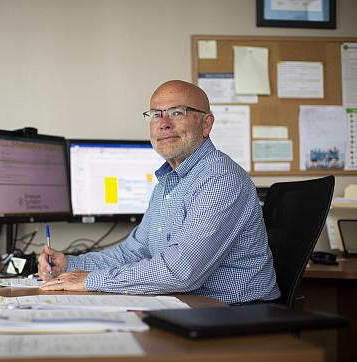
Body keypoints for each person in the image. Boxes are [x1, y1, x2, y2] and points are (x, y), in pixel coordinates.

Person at [38, 80, 280, 304]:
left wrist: (89, 281)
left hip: (236, 312)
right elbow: (132, 252)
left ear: (206, 124)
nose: (164, 123)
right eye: (156, 115)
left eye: (177, 112)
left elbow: (180, 272)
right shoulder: (168, 183)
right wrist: (69, 265)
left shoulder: (221, 180)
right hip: (188, 304)